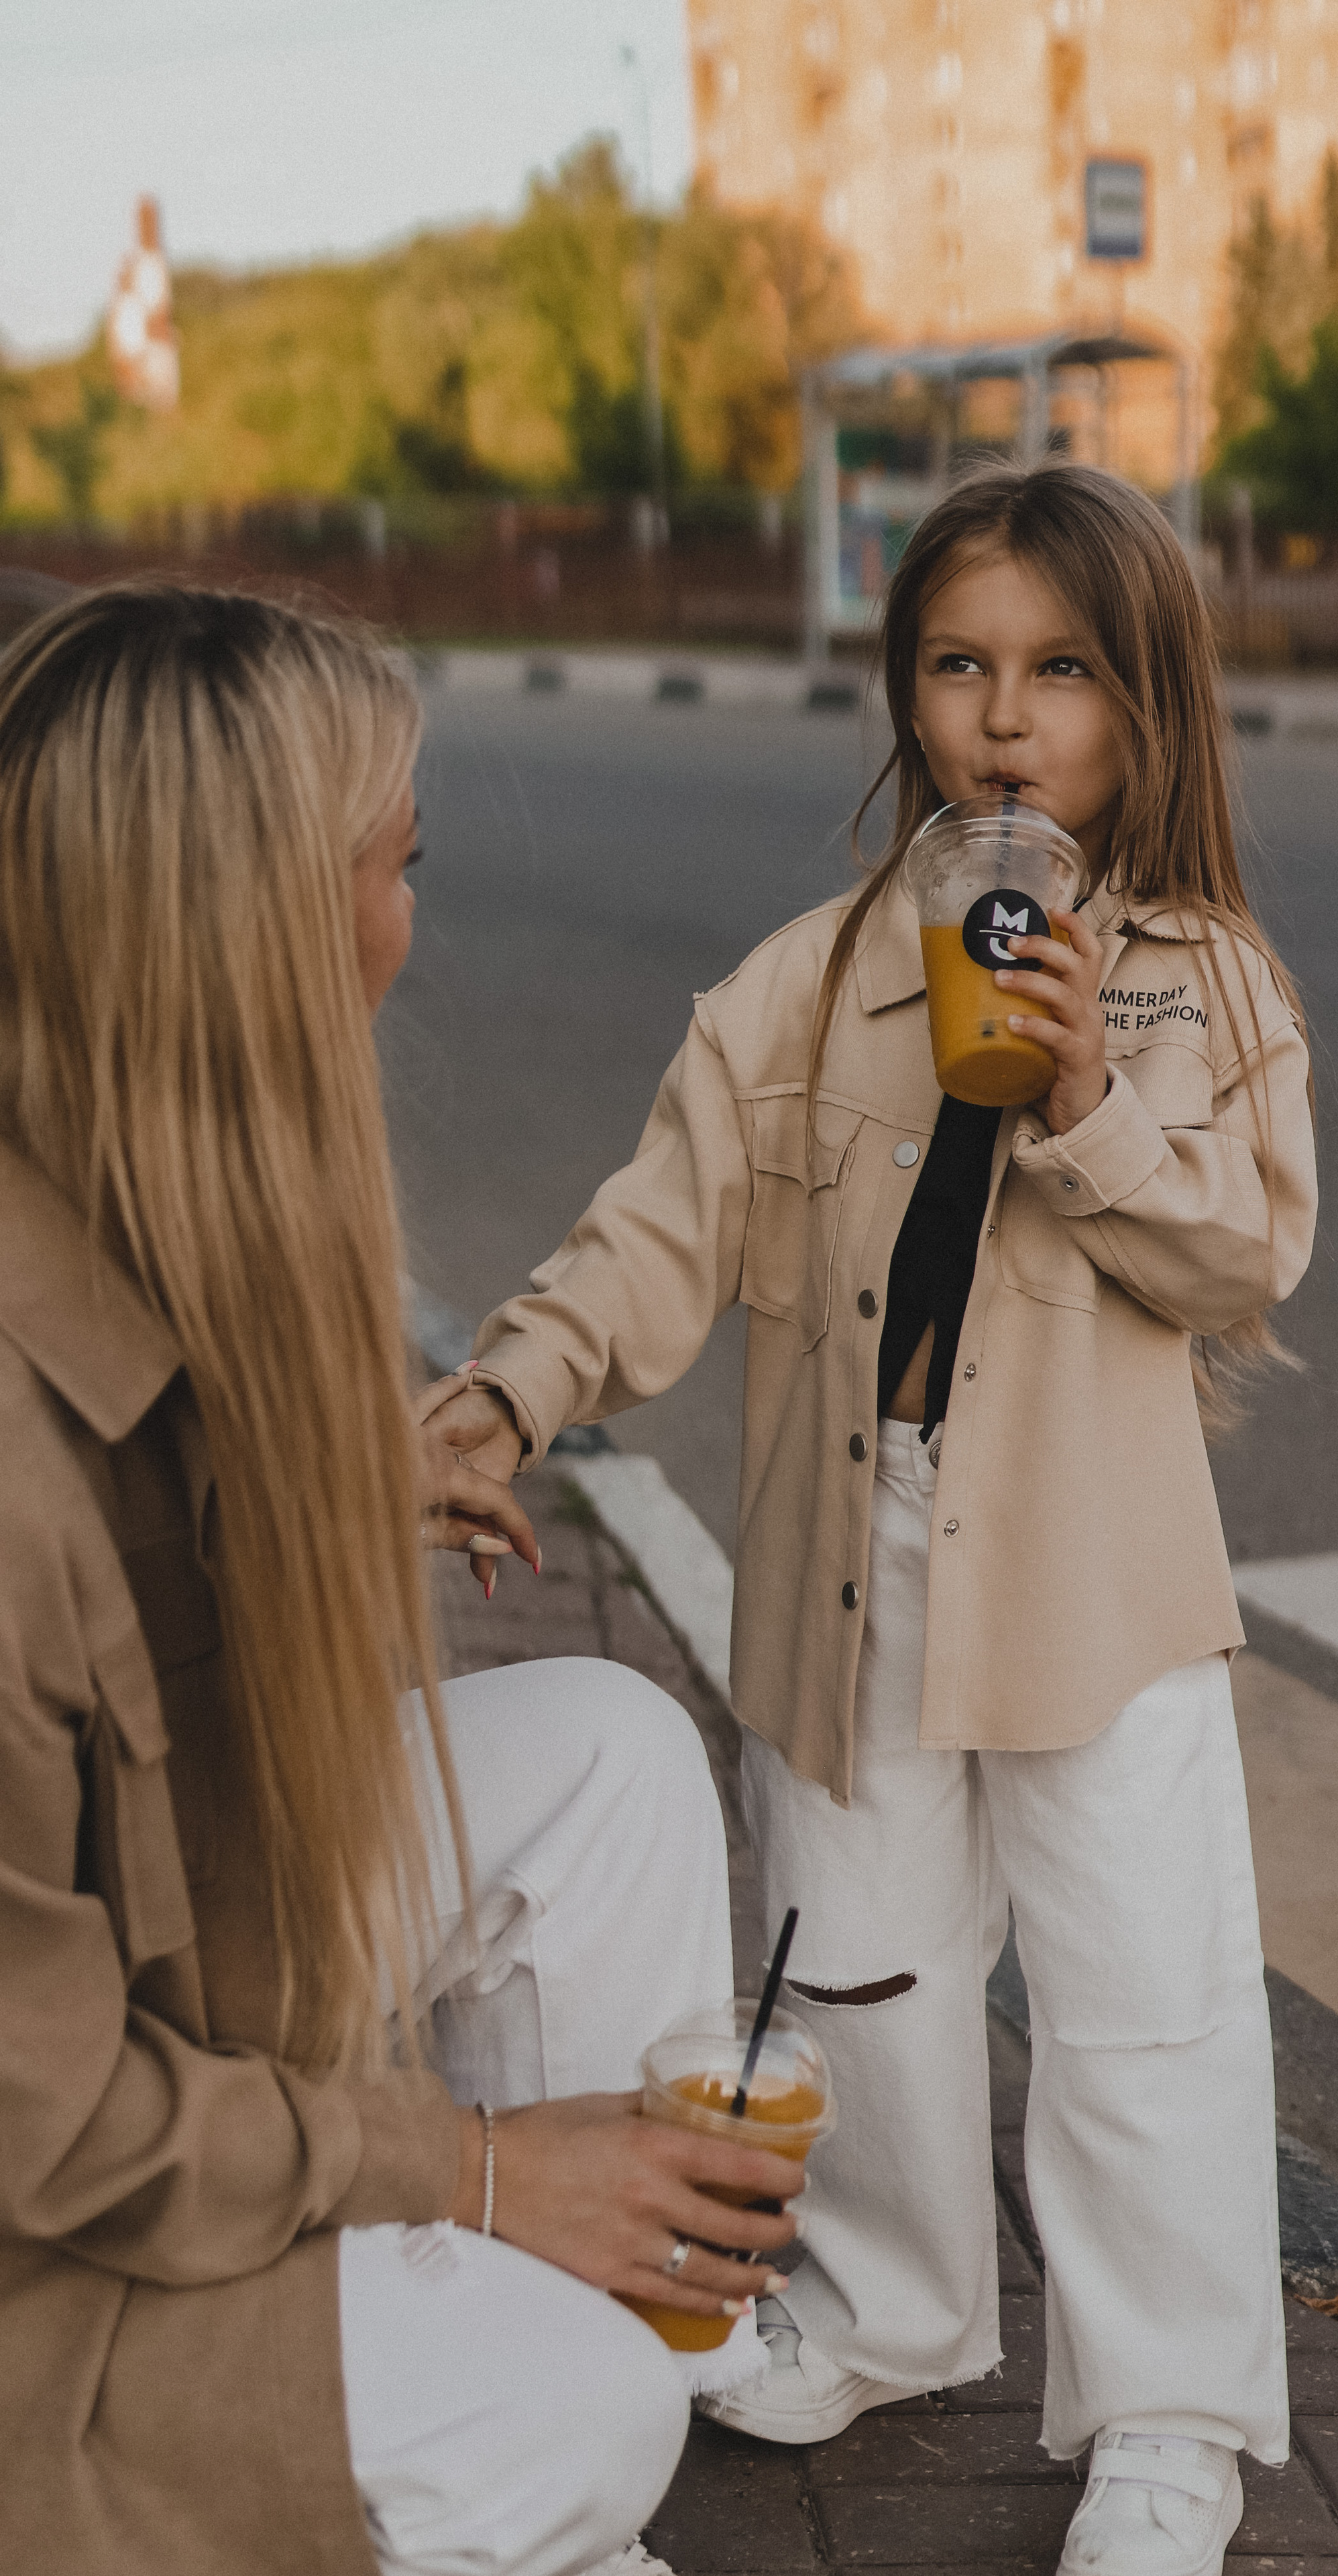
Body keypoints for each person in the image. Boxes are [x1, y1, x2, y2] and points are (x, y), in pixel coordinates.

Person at [423, 463, 1319, 2576]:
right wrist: (511, 1391)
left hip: (1094, 1581)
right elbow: (657, 1227)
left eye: (1061, 674)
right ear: (904, 695)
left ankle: (1171, 2414)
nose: (1007, 723)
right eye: (959, 667)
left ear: (1145, 709)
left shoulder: (1196, 980)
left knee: (1143, 1992)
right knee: (865, 1968)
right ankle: (892, 2311)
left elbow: (1248, 1257)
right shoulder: (813, 982)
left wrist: (1091, 1095)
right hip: (860, 1546)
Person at [0, 583, 803, 2576]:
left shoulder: (125, 1207)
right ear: (253, 937)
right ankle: (541, 2423)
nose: (406, 931)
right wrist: (458, 2166)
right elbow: (41, 2117)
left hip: (162, 2015)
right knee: (590, 2407)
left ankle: (545, 2430)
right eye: (395, 868)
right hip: (47, 2270)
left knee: (617, 1757)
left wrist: (332, 1502)